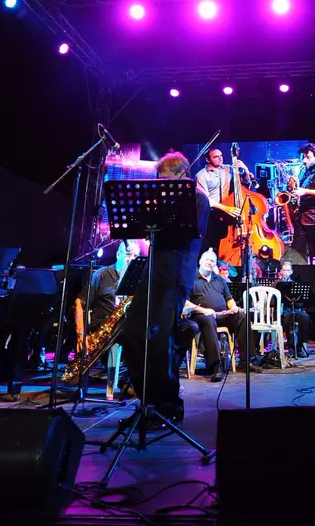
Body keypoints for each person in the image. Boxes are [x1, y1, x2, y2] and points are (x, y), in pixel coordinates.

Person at [118, 151, 209, 427]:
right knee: (132, 334)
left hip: (175, 274)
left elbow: (189, 233)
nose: (161, 184)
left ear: (182, 174)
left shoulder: (197, 198)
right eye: (159, 180)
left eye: (165, 179)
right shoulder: (163, 200)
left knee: (159, 341)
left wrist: (162, 216)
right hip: (153, 273)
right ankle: (147, 402)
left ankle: (167, 405)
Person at [186, 250, 252, 381]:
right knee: (208, 320)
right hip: (200, 315)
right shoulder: (191, 279)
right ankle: (215, 367)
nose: (209, 263)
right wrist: (203, 310)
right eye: (207, 260)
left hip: (221, 315)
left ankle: (246, 360)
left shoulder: (219, 280)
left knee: (242, 316)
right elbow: (185, 301)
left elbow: (229, 299)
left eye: (212, 261)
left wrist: (233, 308)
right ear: (200, 261)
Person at [75, 239, 136, 352]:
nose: (132, 259)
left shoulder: (138, 279)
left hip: (126, 330)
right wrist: (81, 334)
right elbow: (79, 302)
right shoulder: (102, 274)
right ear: (118, 255)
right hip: (103, 331)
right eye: (128, 254)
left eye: (135, 256)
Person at [195, 147, 252, 260]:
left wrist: (245, 169)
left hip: (228, 213)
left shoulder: (228, 169)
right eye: (216, 157)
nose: (220, 158)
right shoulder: (201, 175)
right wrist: (226, 208)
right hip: (212, 214)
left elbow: (246, 182)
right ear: (208, 159)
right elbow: (205, 199)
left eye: (221, 155)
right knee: (212, 243)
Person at [278, 261, 311, 356]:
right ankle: (291, 346)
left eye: (288, 270)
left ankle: (301, 344)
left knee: (305, 317)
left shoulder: (295, 285)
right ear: (281, 271)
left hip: (294, 308)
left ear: (291, 272)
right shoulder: (276, 284)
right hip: (283, 310)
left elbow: (301, 302)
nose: (286, 272)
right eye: (284, 270)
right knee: (287, 318)